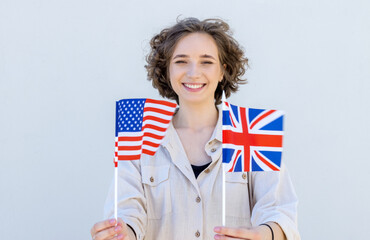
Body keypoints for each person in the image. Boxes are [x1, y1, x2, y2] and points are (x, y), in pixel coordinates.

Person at [91, 17, 300, 240]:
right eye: (181, 61)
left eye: (206, 62)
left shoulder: (251, 133)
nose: (193, 72)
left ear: (222, 71)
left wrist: (265, 233)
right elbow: (128, 213)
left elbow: (279, 212)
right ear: (166, 69)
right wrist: (121, 233)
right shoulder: (139, 138)